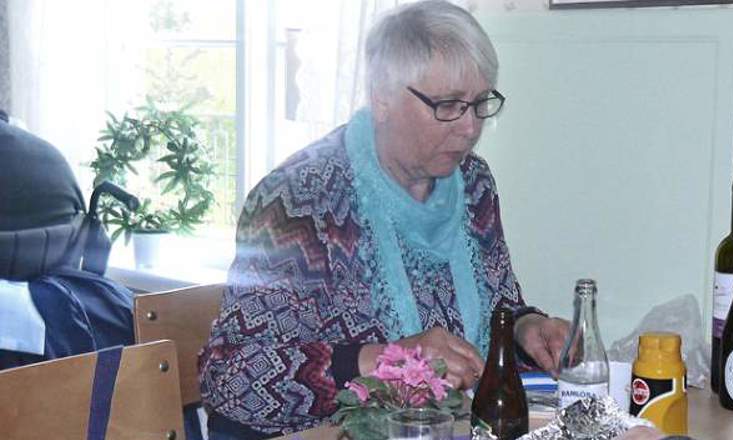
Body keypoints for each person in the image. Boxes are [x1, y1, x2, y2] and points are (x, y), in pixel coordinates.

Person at [198, 2, 570, 438]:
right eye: (449, 105)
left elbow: (496, 307)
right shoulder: (298, 201)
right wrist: (384, 360)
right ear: (382, 99)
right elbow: (231, 379)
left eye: (479, 104)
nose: (470, 128)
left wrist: (525, 328)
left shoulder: (473, 183)